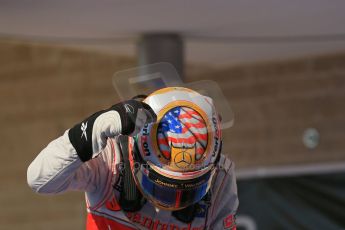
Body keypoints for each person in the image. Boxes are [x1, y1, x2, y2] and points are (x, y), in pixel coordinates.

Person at [27, 87, 238, 230]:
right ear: (135, 154)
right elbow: (40, 180)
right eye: (163, 187)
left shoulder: (221, 176)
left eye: (187, 190)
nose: (172, 200)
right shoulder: (110, 157)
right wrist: (93, 129)